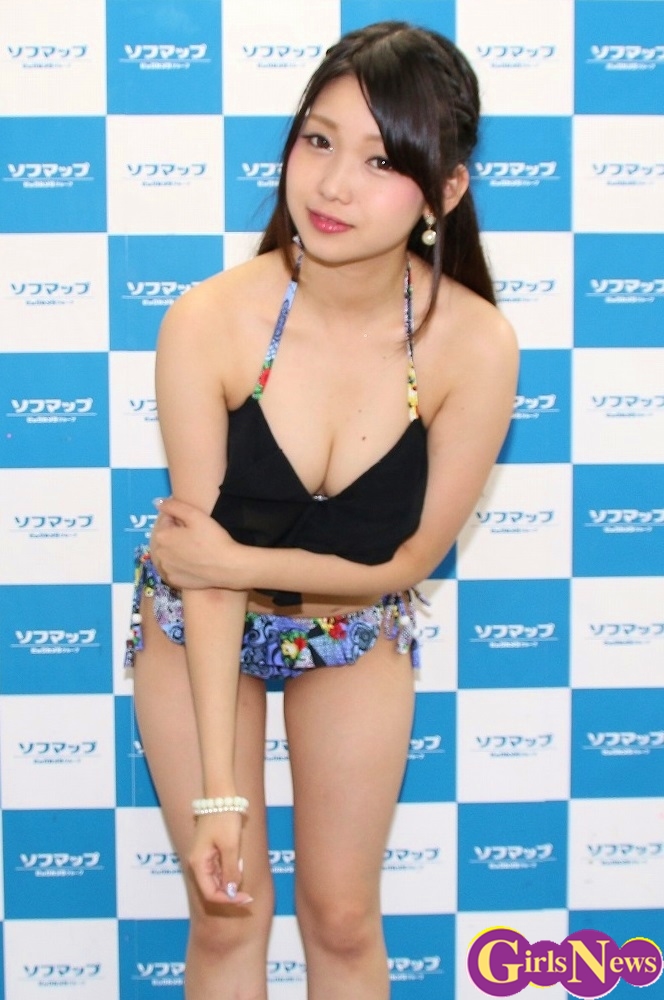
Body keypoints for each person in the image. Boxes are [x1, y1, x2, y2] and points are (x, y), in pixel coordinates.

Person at [126, 20, 518, 1000]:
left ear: (445, 192)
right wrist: (220, 796)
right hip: (199, 626)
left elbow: (406, 563)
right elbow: (202, 577)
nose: (333, 185)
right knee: (229, 912)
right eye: (318, 140)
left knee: (342, 918)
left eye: (381, 160)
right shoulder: (210, 320)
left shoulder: (474, 344)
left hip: (352, 625)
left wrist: (237, 561)